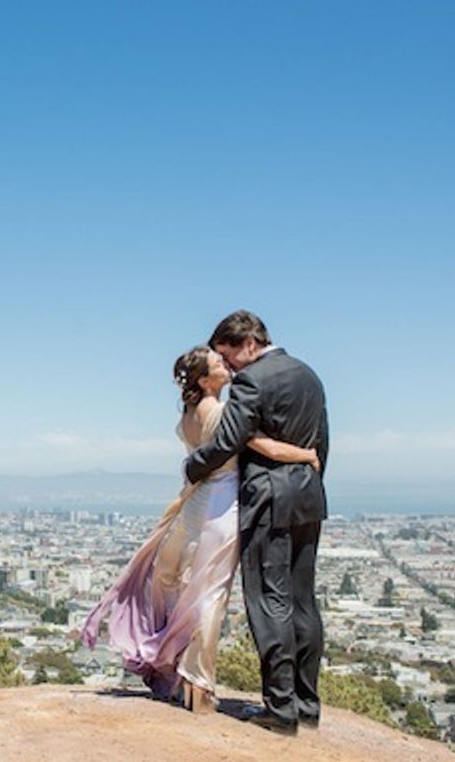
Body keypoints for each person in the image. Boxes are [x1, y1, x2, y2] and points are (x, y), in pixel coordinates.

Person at [81, 344, 319, 713]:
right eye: (218, 364)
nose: (227, 365)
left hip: (193, 503)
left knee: (182, 586)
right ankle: (199, 686)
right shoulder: (223, 411)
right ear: (206, 381)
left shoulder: (191, 413)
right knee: (210, 595)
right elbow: (264, 447)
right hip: (221, 507)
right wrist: (307, 454)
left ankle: (179, 678)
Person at [184, 310, 329, 736]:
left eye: (230, 358)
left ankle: (280, 709)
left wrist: (193, 468)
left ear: (250, 343)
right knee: (304, 599)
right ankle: (307, 703)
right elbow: (321, 439)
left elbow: (229, 439)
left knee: (270, 599)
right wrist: (310, 479)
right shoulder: (309, 375)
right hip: (308, 492)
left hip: (269, 495)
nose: (229, 369)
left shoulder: (254, 380)